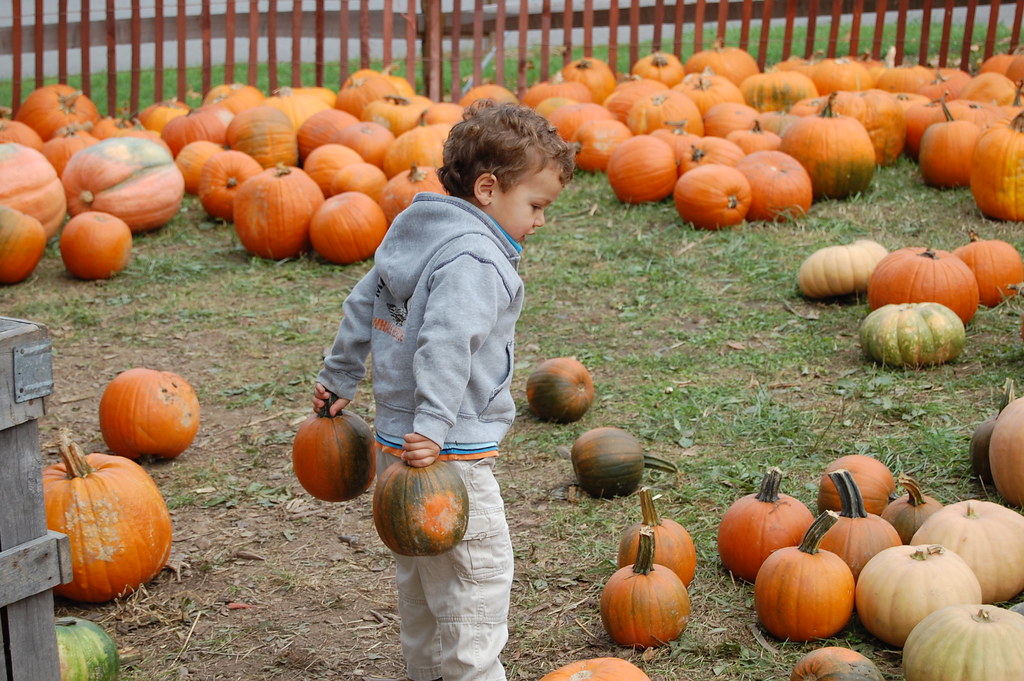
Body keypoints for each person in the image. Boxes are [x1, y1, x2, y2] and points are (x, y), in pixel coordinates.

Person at [312, 100, 575, 681]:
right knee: (476, 585)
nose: (539, 220)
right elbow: (447, 343)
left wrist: (338, 378)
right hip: (444, 456)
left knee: (424, 584)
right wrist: (433, 425)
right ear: (487, 188)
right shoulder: (475, 257)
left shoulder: (413, 234)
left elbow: (364, 305)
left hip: (395, 448)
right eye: (535, 205)